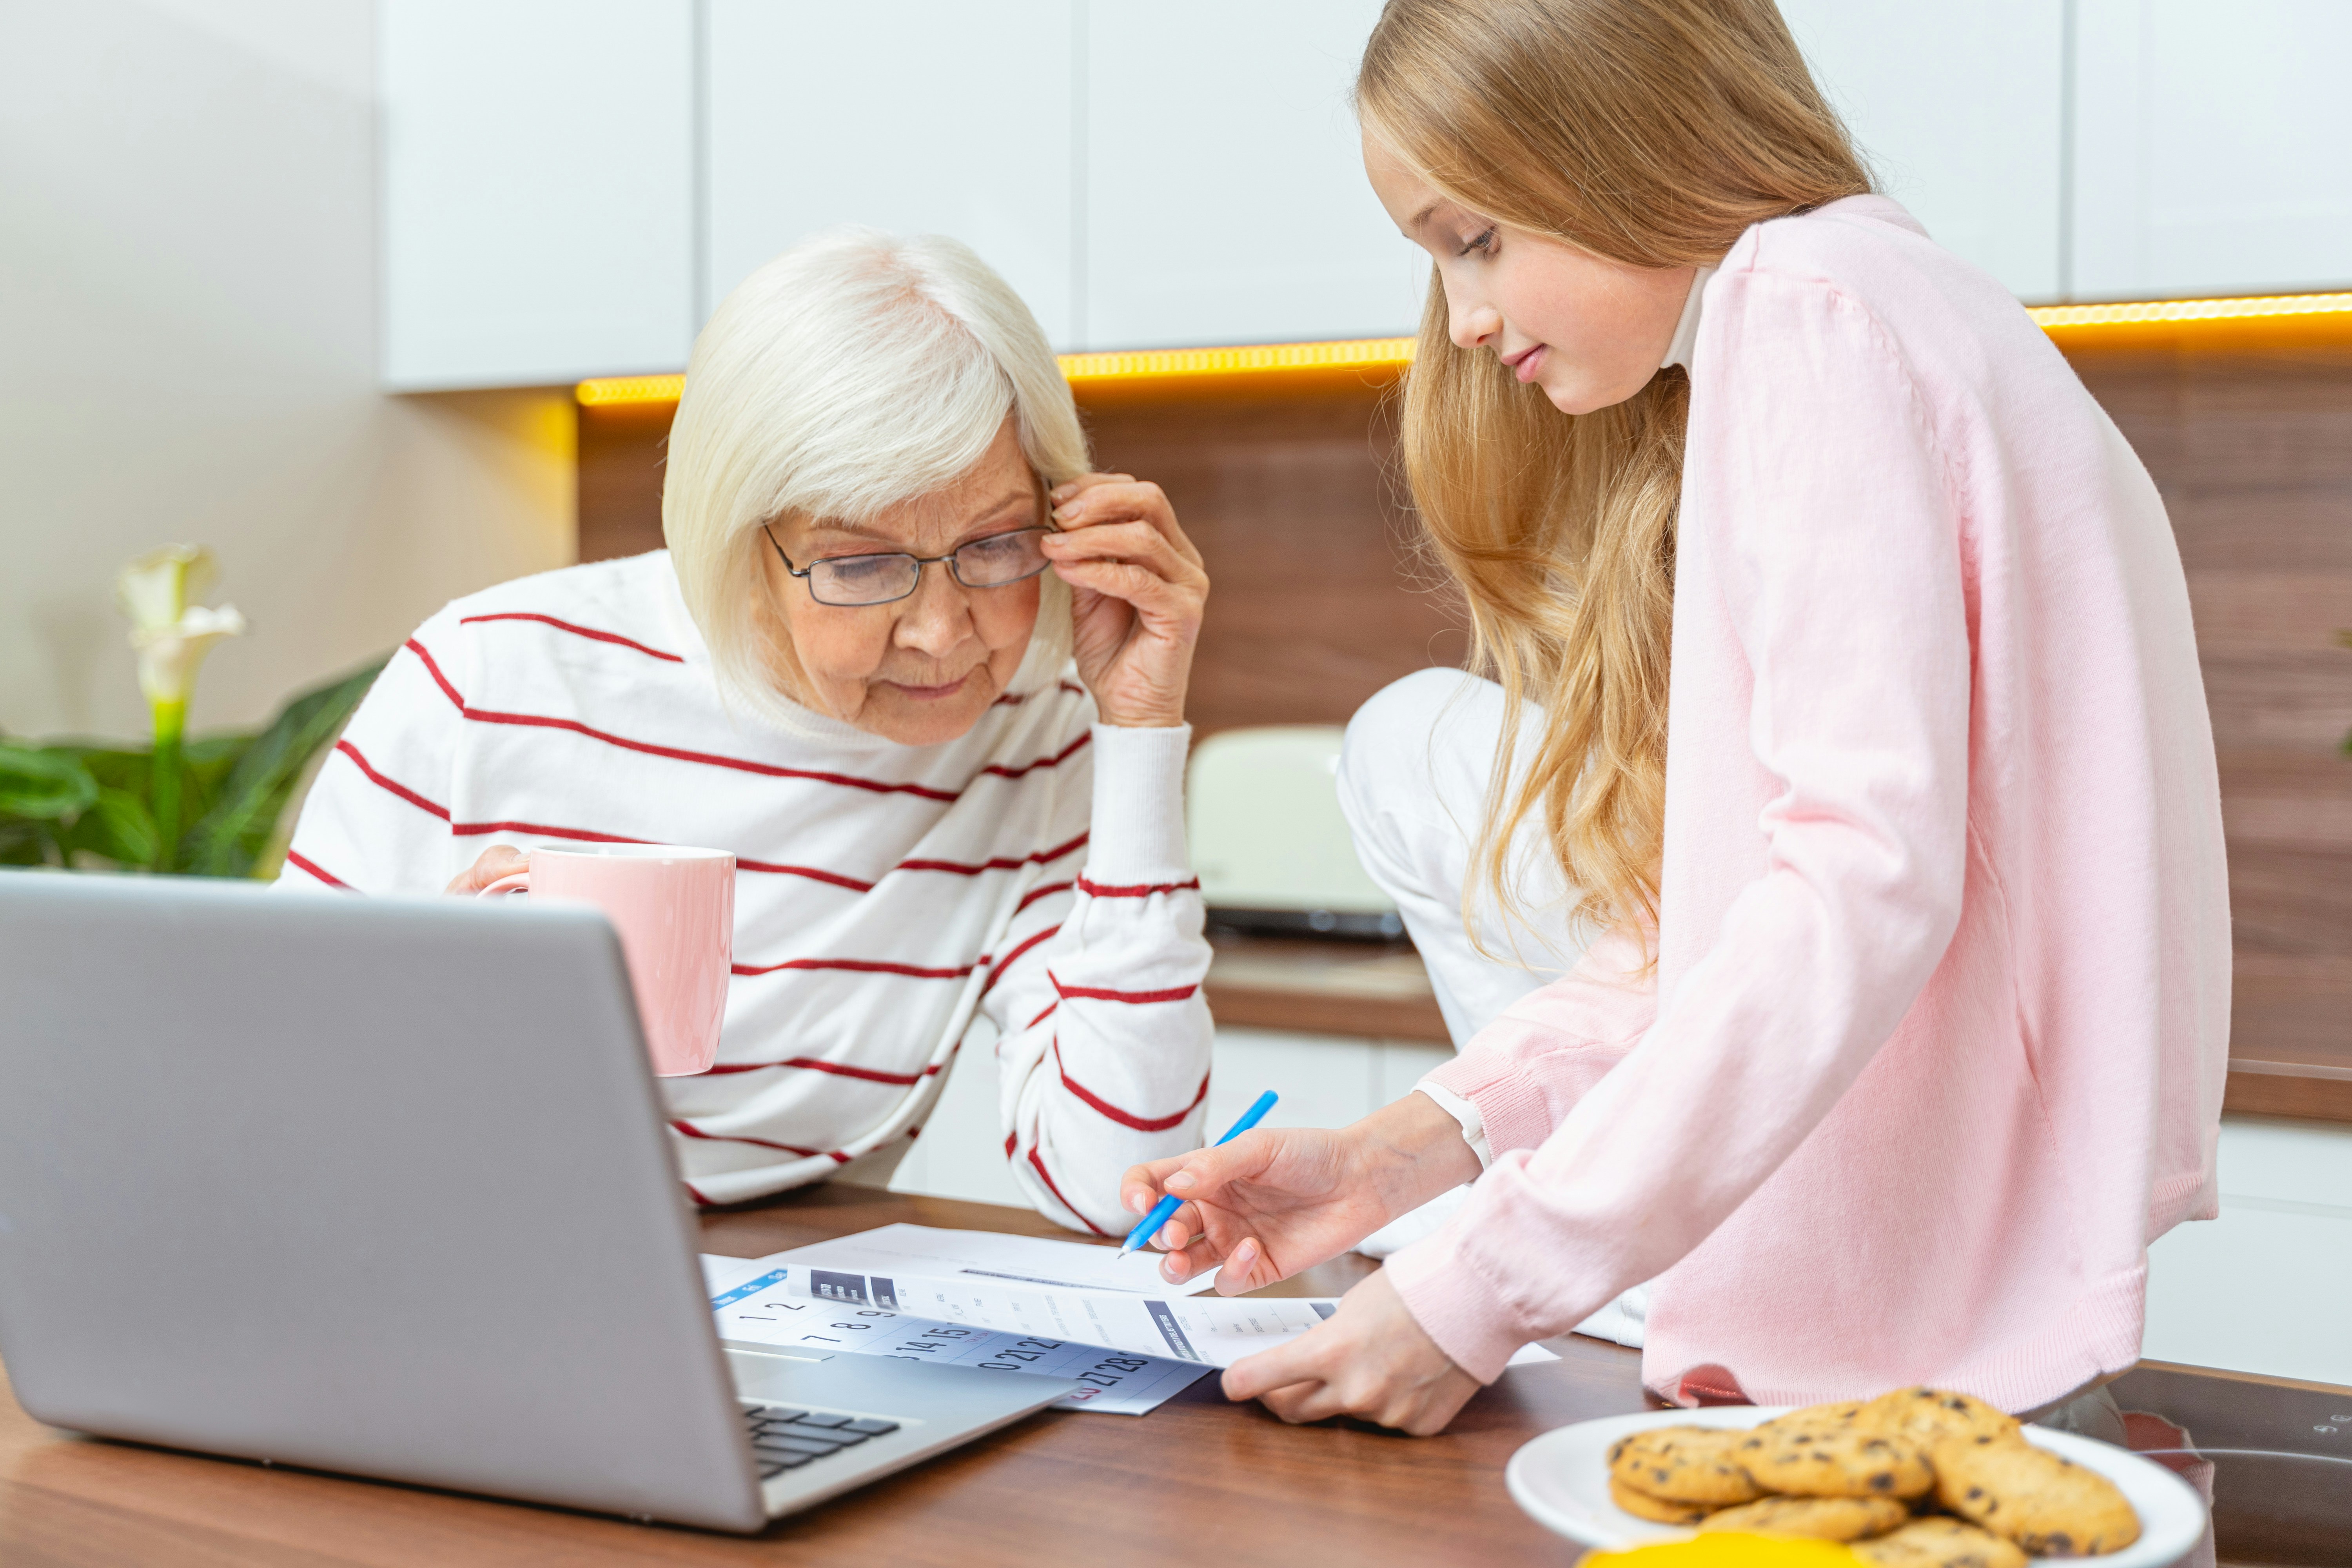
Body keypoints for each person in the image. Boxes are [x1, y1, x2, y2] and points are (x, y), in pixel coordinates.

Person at [1122, 0, 2228, 1434]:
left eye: (1476, 241)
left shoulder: (1805, 302)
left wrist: (1480, 1291)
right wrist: (1400, 1161)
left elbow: (1855, 886)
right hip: (1967, 1360)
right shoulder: (1891, 302)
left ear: (1611, 138)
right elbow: (1727, 934)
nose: (1461, 322)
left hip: (1905, 1371)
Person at [281, 228, 1215, 1233]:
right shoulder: (488, 675)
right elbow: (273, 1082)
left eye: (996, 544)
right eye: (860, 565)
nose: (945, 635)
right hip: (452, 1242)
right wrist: (431, 1021)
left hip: (784, 1297)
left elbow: (1129, 1186)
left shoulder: (1035, 745)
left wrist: (1139, 733)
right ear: (738, 540)